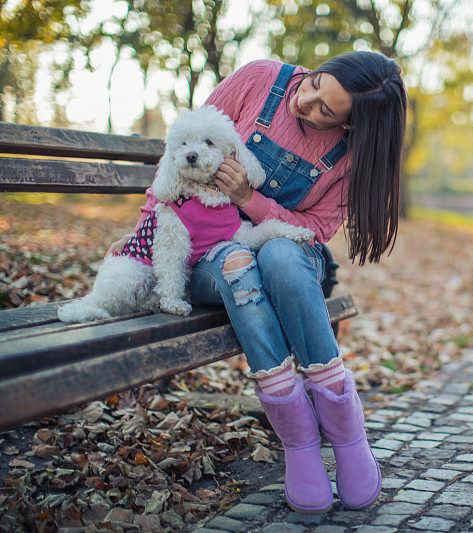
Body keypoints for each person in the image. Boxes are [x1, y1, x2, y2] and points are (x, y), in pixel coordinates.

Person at [106, 51, 406, 514]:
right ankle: (300, 442)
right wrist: (147, 229)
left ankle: (348, 438)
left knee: (283, 256)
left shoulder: (352, 157)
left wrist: (248, 196)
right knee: (238, 262)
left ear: (349, 127)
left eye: (325, 110)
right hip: (213, 255)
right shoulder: (261, 79)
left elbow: (316, 231)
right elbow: (183, 151)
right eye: (314, 84)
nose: (304, 102)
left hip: (288, 256)